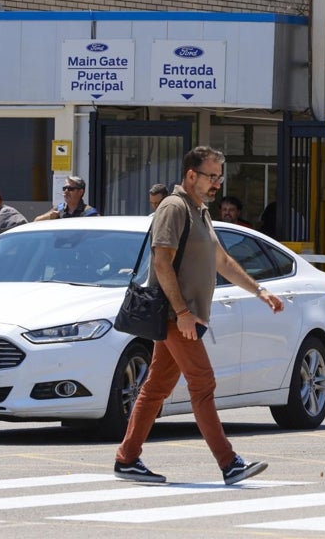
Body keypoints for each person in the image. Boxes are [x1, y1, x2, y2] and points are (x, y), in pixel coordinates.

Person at [114, 146, 284, 486]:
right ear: (191, 175)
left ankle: (127, 458)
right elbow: (162, 262)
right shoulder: (174, 207)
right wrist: (181, 313)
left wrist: (259, 290)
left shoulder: (200, 211)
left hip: (186, 317)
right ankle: (229, 462)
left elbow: (222, 260)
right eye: (211, 176)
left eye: (220, 177)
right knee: (203, 383)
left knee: (156, 386)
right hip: (177, 317)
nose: (217, 183)